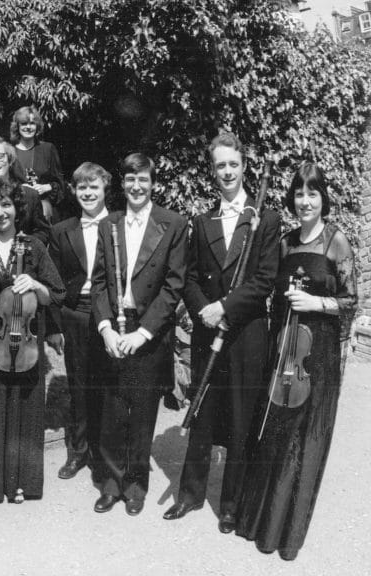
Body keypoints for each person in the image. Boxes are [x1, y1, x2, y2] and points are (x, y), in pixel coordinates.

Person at [235, 162, 356, 560]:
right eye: (299, 194)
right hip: (283, 347)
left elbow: (351, 301)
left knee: (303, 441)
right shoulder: (286, 243)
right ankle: (258, 524)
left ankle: (285, 535)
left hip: (316, 357)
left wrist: (317, 302)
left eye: (312, 194)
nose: (305, 202)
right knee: (273, 434)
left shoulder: (335, 242)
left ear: (323, 199)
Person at [164, 132, 281, 534]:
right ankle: (190, 495)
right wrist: (204, 311)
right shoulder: (203, 221)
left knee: (242, 416)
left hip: (246, 331)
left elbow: (264, 280)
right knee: (203, 411)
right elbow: (192, 277)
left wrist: (226, 308)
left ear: (243, 166)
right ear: (212, 171)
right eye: (220, 165)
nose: (227, 171)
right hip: (208, 330)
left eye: (233, 164)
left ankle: (230, 503)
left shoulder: (266, 218)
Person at [90, 153, 187, 516]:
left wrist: (143, 333)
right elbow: (98, 283)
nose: (136, 186)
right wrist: (104, 329)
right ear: (123, 182)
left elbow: (173, 287)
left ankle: (135, 485)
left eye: (143, 179)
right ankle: (111, 484)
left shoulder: (173, 224)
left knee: (142, 413)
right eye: (130, 179)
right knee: (112, 409)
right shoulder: (108, 224)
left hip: (148, 332)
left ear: (152, 182)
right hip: (114, 329)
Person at [0, 177, 64, 505]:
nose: (0, 212)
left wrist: (35, 284)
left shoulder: (34, 246)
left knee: (26, 407)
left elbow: (56, 293)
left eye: (6, 205)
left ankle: (22, 481)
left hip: (25, 340)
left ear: (17, 208)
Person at [48, 162, 112, 482]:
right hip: (75, 314)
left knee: (107, 385)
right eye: (82, 188)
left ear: (104, 189)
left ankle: (104, 454)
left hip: (111, 317)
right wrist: (55, 326)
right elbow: (55, 282)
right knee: (79, 386)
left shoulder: (119, 226)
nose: (88, 193)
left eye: (94, 187)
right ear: (74, 191)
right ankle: (78, 451)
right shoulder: (62, 230)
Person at [10, 106, 66, 221]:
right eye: (24, 123)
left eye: (32, 123)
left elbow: (60, 183)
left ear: (37, 126)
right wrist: (19, 188)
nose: (28, 127)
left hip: (45, 212)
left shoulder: (48, 149)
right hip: (17, 212)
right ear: (17, 127)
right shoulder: (9, 152)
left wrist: (48, 187)